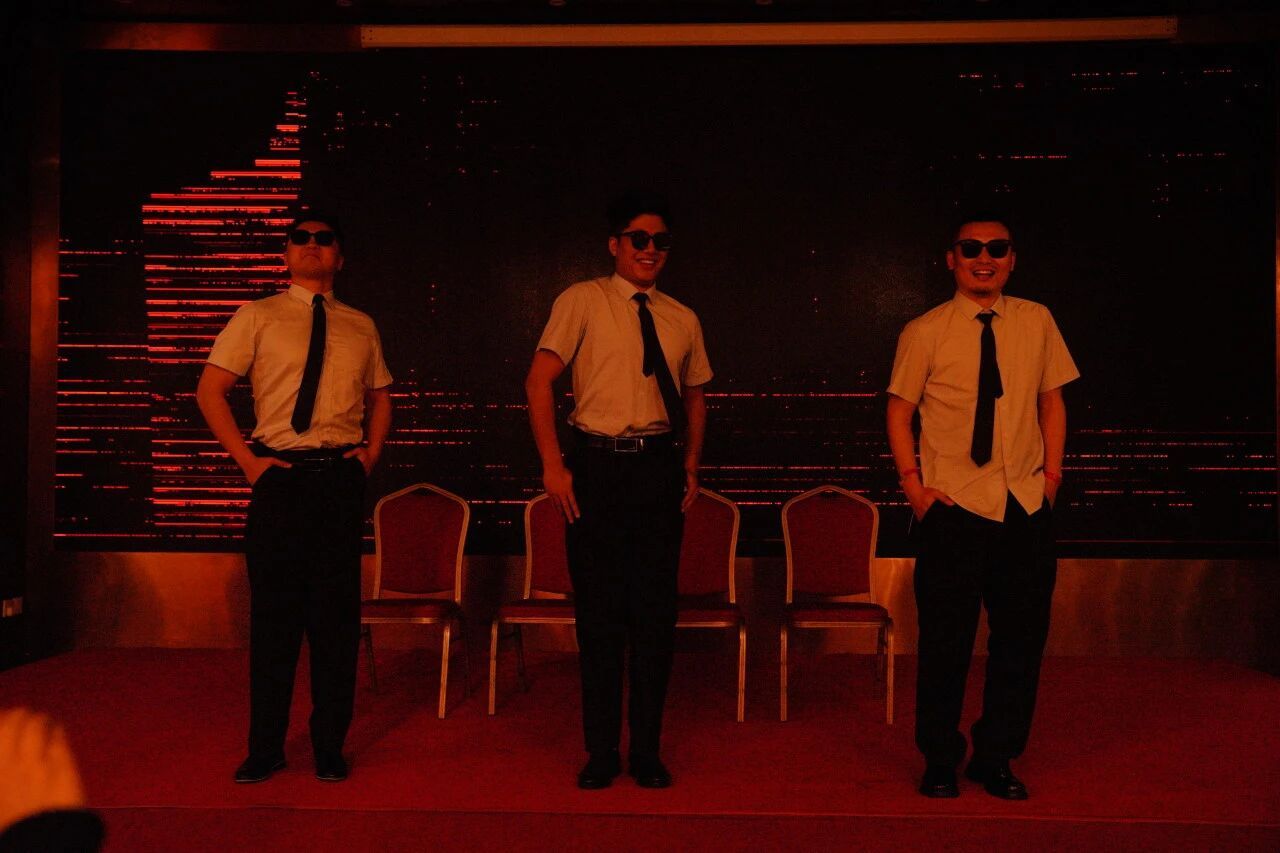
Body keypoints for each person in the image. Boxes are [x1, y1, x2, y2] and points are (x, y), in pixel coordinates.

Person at [886, 213, 1079, 800]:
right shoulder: (925, 331)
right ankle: (940, 759)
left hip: (1024, 506)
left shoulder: (1037, 320)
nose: (984, 258)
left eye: (997, 248)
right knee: (944, 646)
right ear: (952, 259)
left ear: (1012, 259)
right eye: (971, 248)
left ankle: (996, 757)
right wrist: (916, 490)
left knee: (1019, 644)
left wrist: (1050, 480)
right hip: (954, 509)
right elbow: (899, 411)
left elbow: (1052, 401)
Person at [196, 213, 392, 784]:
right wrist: (250, 465)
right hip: (279, 479)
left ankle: (330, 744)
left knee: (336, 623)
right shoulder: (257, 315)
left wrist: (370, 454)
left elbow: (382, 395)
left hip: (337, 480)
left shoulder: (361, 324)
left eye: (324, 239)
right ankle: (266, 747)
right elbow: (210, 391)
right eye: (300, 238)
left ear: (340, 257)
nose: (311, 245)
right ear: (286, 253)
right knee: (274, 621)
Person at [525, 191, 712, 789]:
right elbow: (538, 381)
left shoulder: (682, 317)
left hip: (657, 468)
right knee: (600, 613)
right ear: (615, 245)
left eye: (660, 241)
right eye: (639, 238)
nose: (650, 249)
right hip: (597, 466)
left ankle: (648, 750)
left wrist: (690, 463)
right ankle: (602, 749)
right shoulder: (583, 300)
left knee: (655, 614)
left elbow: (695, 395)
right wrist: (553, 466)